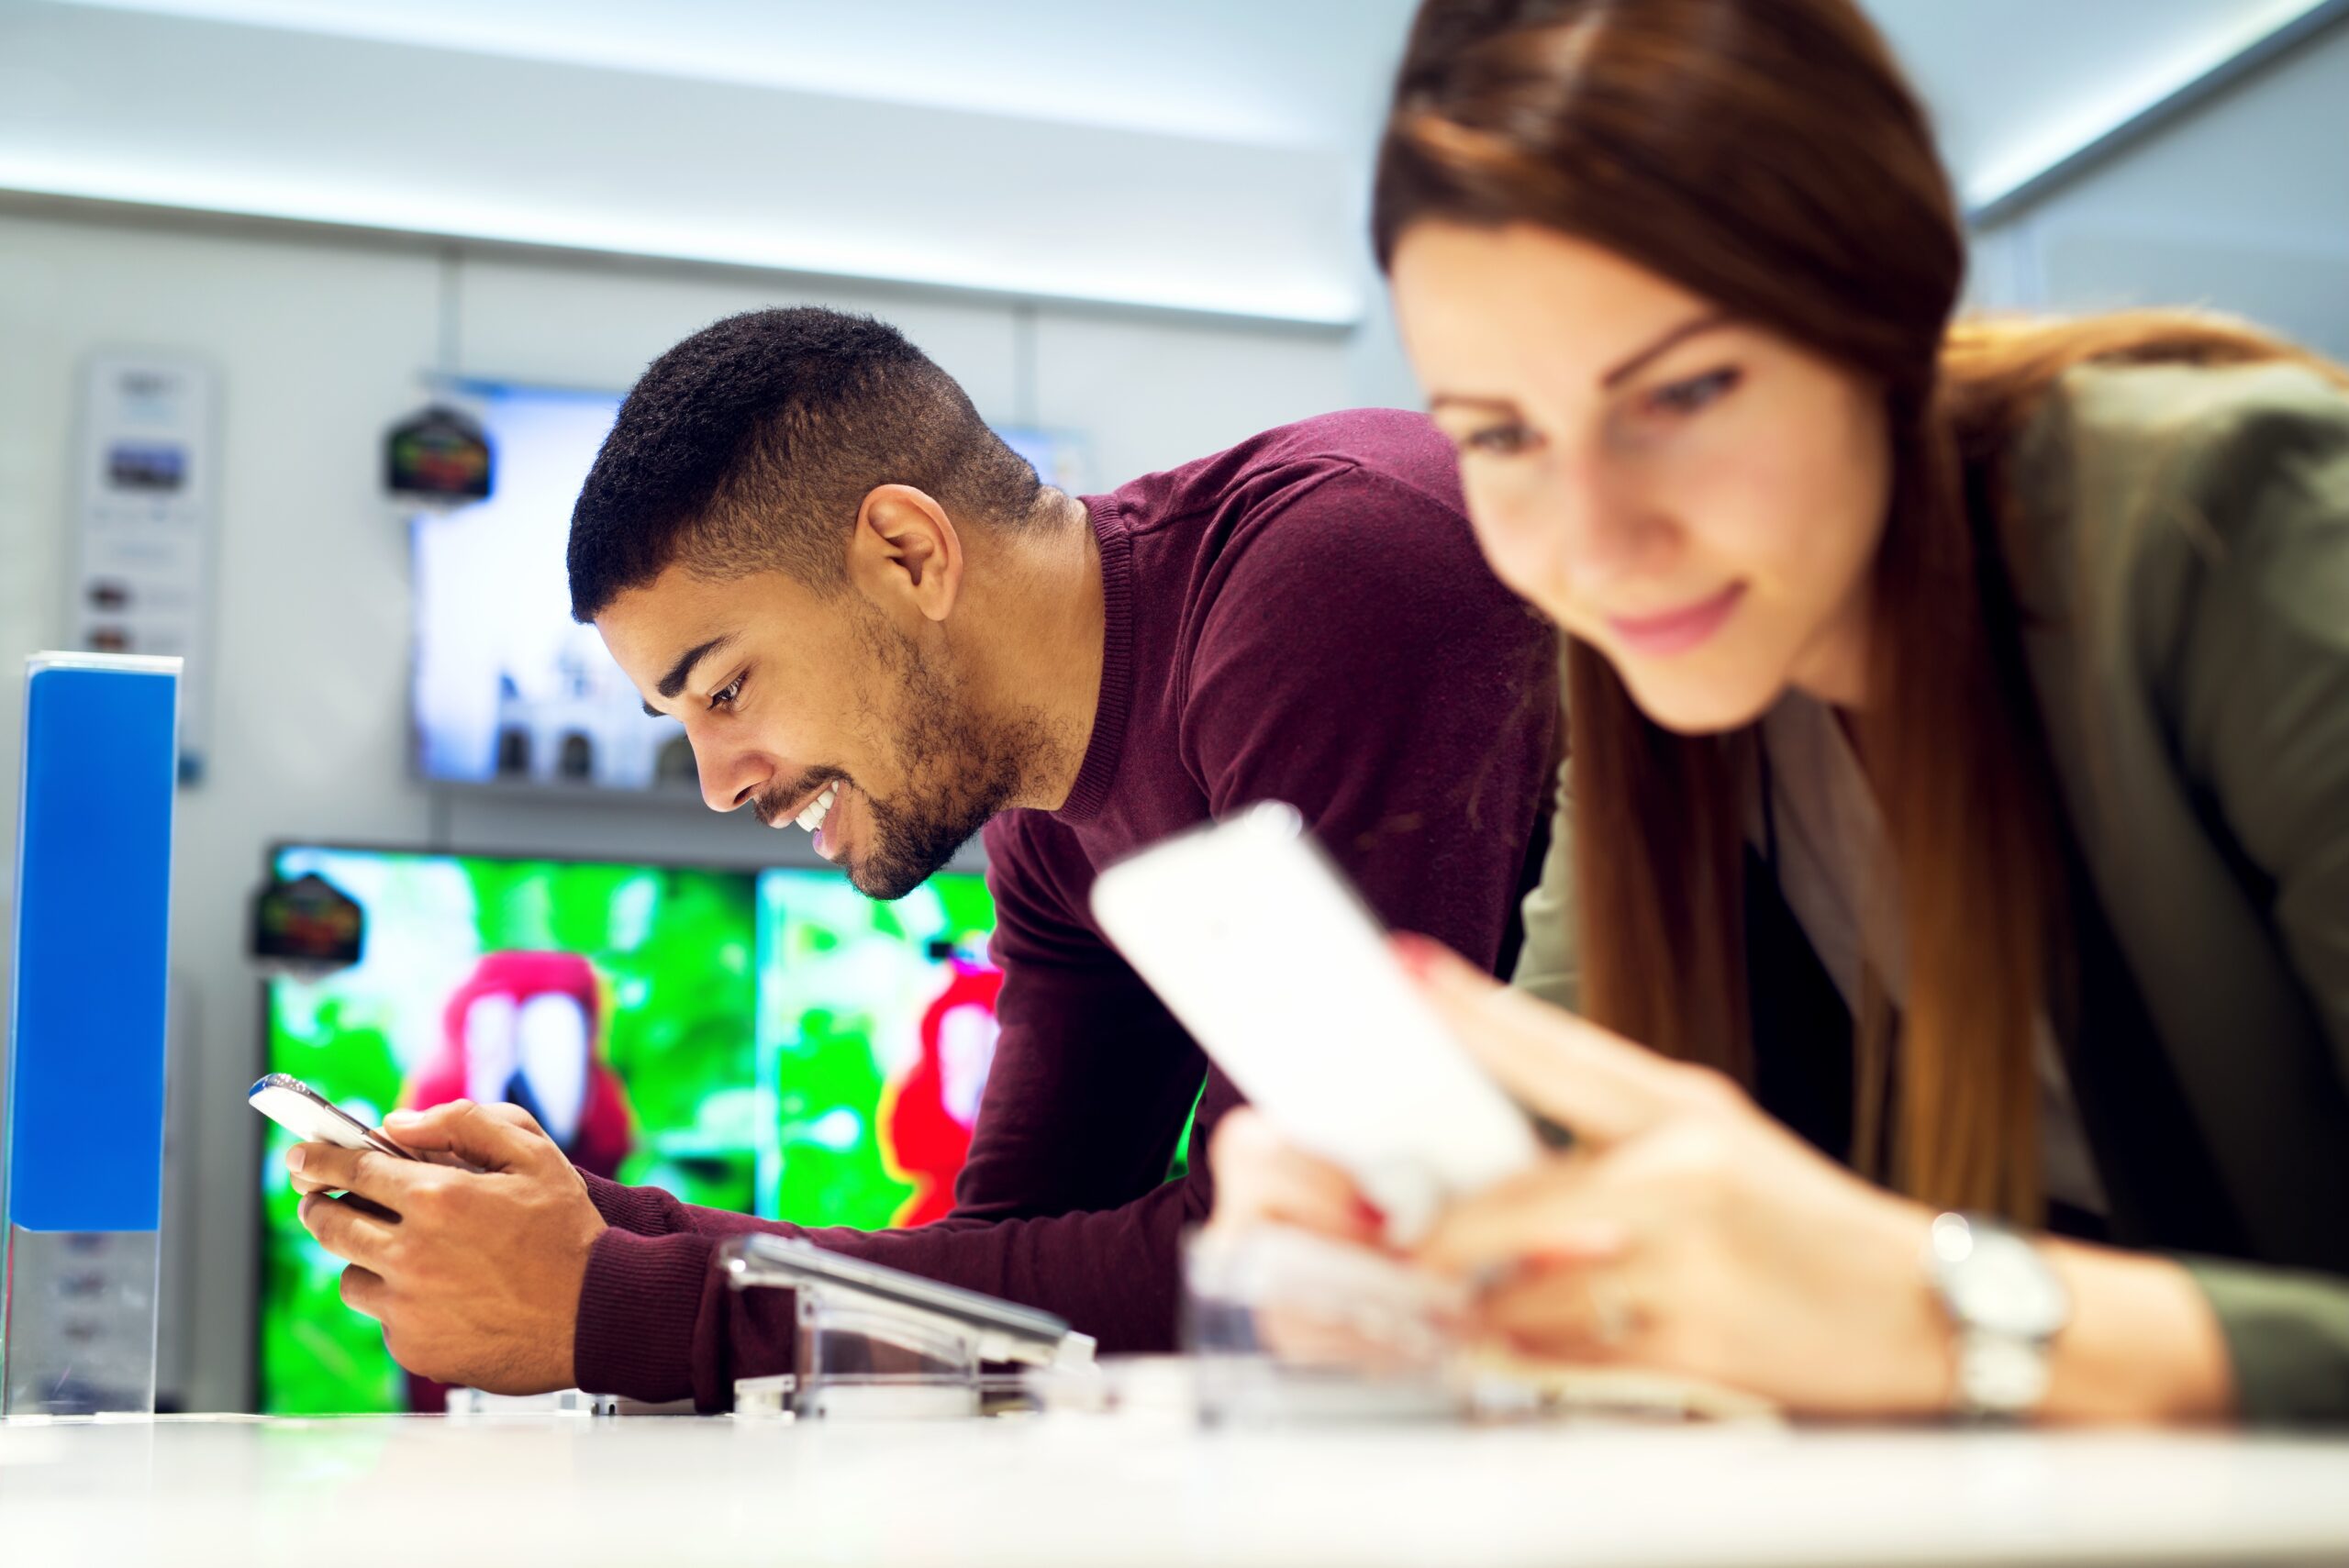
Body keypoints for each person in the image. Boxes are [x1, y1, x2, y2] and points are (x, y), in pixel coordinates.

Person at [1209, 0, 2349, 1424]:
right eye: (1501, 433)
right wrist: (1402, 1237)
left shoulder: (2228, 518)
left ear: (1886, 313)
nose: (1599, 545)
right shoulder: (1668, 685)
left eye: (1684, 391)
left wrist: (1941, 1314)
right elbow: (1567, 1172)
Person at [284, 307, 1559, 1408]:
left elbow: (1299, 1262)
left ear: (908, 553)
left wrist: (626, 1302)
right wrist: (603, 1226)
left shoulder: (1330, 578)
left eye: (726, 689)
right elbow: (1012, 1271)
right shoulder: (1046, 829)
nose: (721, 785)